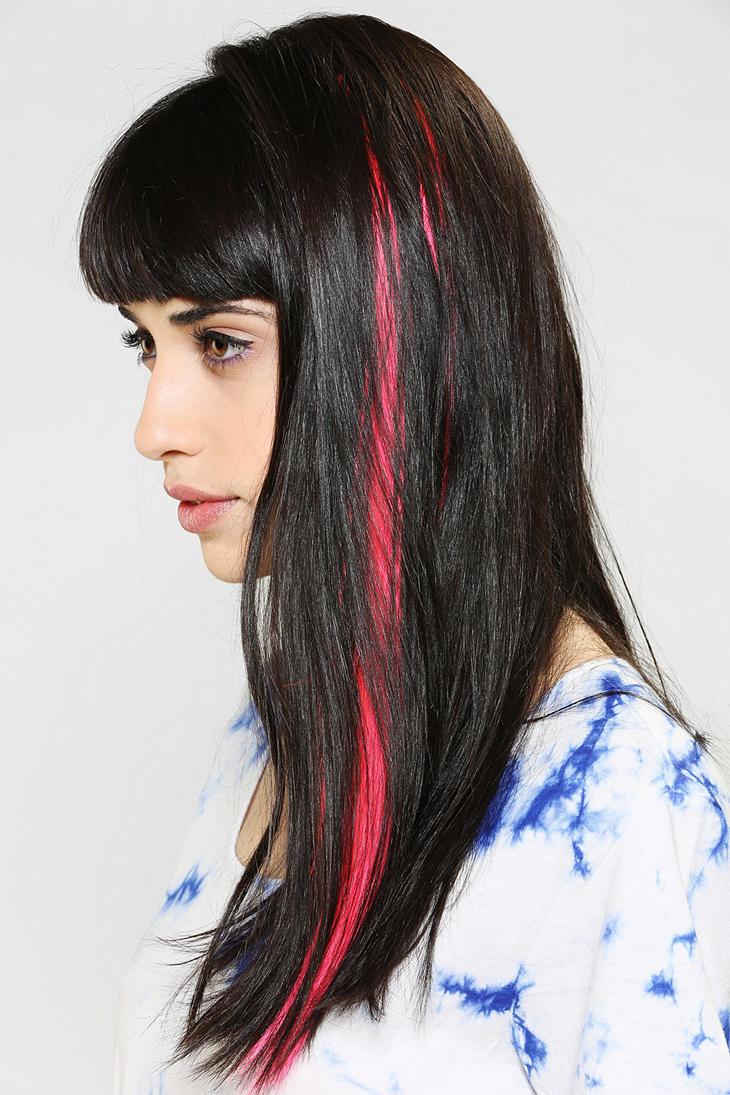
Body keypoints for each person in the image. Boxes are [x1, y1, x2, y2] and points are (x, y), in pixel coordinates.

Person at [77, 12, 730, 1094]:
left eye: (221, 342)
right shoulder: (283, 723)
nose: (156, 426)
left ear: (402, 336)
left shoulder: (619, 799)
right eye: (146, 343)